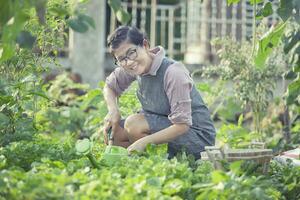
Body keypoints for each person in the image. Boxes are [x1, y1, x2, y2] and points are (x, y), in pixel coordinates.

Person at [103, 26, 216, 159]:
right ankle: (142, 165)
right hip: (165, 127)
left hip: (197, 138)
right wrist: (113, 110)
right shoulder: (132, 67)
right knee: (114, 132)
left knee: (133, 124)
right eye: (121, 59)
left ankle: (162, 164)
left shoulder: (173, 72)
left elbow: (182, 125)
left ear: (145, 45)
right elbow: (109, 87)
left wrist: (144, 142)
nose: (129, 62)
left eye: (132, 52)